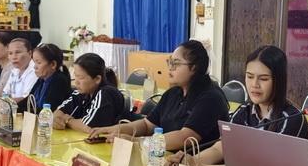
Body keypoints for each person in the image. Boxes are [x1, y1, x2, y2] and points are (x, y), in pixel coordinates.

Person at [166, 45, 308, 166]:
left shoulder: (291, 119)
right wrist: (187, 163)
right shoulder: (244, 111)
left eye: (264, 79)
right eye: (250, 76)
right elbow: (219, 149)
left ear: (279, 81)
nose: (254, 84)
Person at [89, 40, 230, 151]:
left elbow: (185, 137)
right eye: (170, 62)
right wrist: (113, 130)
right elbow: (147, 125)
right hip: (163, 158)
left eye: (176, 64)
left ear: (194, 67)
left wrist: (137, 141)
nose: (170, 68)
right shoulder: (173, 93)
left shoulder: (211, 98)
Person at [53, 53, 123, 133]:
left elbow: (89, 127)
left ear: (97, 79)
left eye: (81, 77)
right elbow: (59, 111)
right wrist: (56, 120)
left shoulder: (106, 93)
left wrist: (67, 120)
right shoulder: (82, 92)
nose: (76, 82)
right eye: (75, 76)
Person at [17, 43, 72, 113]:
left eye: (39, 63)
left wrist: (22, 111)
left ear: (53, 64)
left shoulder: (59, 81)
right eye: (34, 62)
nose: (35, 67)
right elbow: (29, 100)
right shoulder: (42, 79)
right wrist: (15, 107)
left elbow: (48, 110)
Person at [2, 38, 37, 102]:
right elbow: (5, 93)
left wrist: (0, 101)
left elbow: (26, 99)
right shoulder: (14, 70)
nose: (14, 57)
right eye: (10, 53)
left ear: (30, 53)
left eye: (18, 52)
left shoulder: (35, 71)